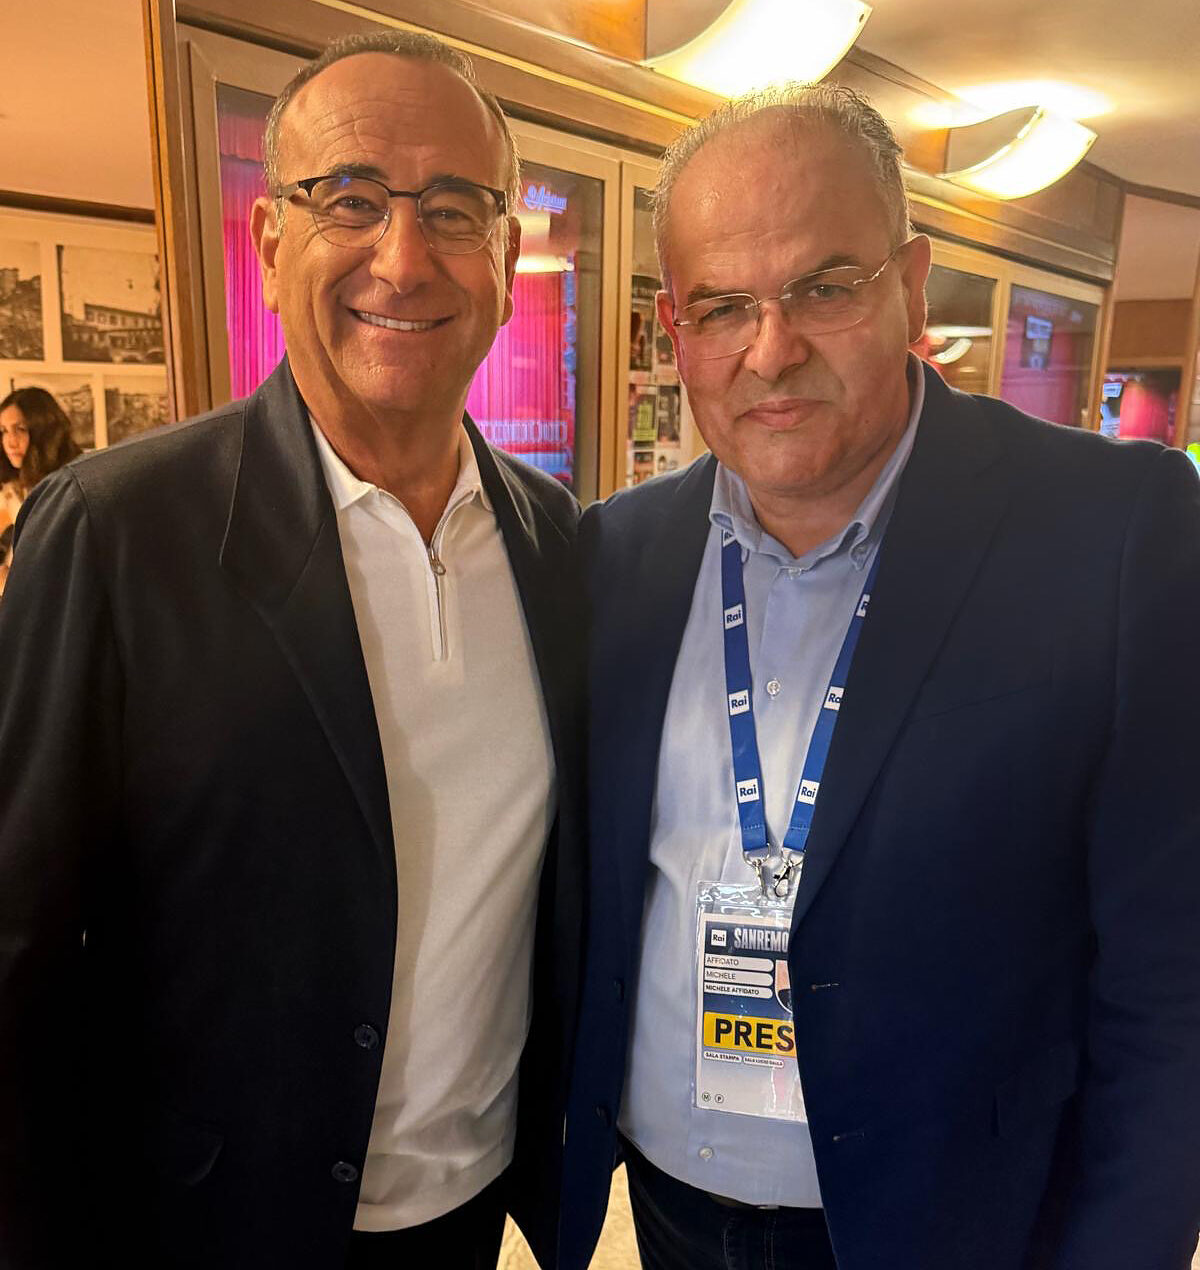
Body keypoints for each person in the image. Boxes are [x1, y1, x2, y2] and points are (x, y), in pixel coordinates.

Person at [561, 84, 1200, 1270]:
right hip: (670, 1202)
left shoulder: (1111, 531)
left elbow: (1171, 981)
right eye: (724, 306)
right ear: (674, 329)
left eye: (825, 287)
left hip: (954, 1214)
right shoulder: (616, 554)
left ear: (911, 287)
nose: (772, 350)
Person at [0, 31, 583, 1270]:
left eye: (455, 209)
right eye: (351, 200)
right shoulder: (119, 531)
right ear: (270, 246)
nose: (404, 256)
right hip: (201, 1228)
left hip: (467, 1215)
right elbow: (17, 950)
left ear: (504, 257)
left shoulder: (558, 544)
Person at [0, 386, 82, 532]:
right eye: (4, 431)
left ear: (44, 433)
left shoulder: (71, 487)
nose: (10, 442)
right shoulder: (11, 486)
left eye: (20, 429)